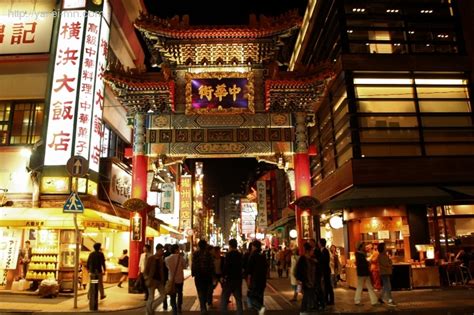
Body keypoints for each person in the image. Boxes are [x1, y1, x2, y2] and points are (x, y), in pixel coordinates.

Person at [220, 238, 243, 315]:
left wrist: (223, 276)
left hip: (229, 279)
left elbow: (226, 267)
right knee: (238, 298)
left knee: (224, 297)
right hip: (238, 279)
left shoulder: (228, 255)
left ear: (230, 245)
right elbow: (242, 266)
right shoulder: (240, 255)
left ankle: (224, 312)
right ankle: (239, 313)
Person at [192, 239, 214, 314]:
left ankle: (203, 308)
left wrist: (193, 273)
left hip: (198, 276)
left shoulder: (195, 254)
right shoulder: (209, 254)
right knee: (206, 291)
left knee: (200, 292)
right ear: (205, 246)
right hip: (207, 276)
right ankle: (205, 304)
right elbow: (212, 265)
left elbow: (193, 264)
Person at [246, 240, 267, 315]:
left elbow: (249, 270)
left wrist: (248, 280)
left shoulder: (253, 255)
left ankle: (260, 307)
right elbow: (266, 268)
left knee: (251, 297)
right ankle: (260, 311)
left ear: (254, 246)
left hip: (254, 280)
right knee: (260, 297)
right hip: (262, 280)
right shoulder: (263, 255)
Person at [295, 242, 318, 313]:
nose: (313, 252)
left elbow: (316, 270)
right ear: (308, 251)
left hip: (313, 281)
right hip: (306, 281)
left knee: (310, 296)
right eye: (312, 251)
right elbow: (298, 270)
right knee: (306, 296)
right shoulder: (302, 259)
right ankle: (304, 310)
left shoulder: (313, 259)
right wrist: (299, 280)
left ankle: (307, 310)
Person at [144, 243, 167, 315]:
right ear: (158, 250)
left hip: (160, 281)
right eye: (162, 250)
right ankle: (148, 311)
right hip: (152, 280)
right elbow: (146, 269)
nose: (163, 252)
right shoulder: (151, 258)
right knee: (151, 297)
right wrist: (146, 278)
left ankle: (151, 308)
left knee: (163, 296)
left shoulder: (161, 259)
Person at [165, 244, 185, 315]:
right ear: (176, 250)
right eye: (178, 249)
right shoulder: (181, 258)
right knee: (180, 293)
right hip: (179, 279)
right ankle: (179, 307)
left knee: (172, 295)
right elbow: (184, 266)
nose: (179, 250)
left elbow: (168, 268)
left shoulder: (167, 259)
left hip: (171, 280)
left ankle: (174, 310)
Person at [319, 238, 334, 305]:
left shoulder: (325, 251)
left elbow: (324, 261)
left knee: (328, 285)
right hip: (325, 270)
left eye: (319, 242)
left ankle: (330, 300)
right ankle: (327, 299)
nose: (318, 244)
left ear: (321, 243)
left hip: (326, 270)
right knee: (326, 285)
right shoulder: (323, 250)